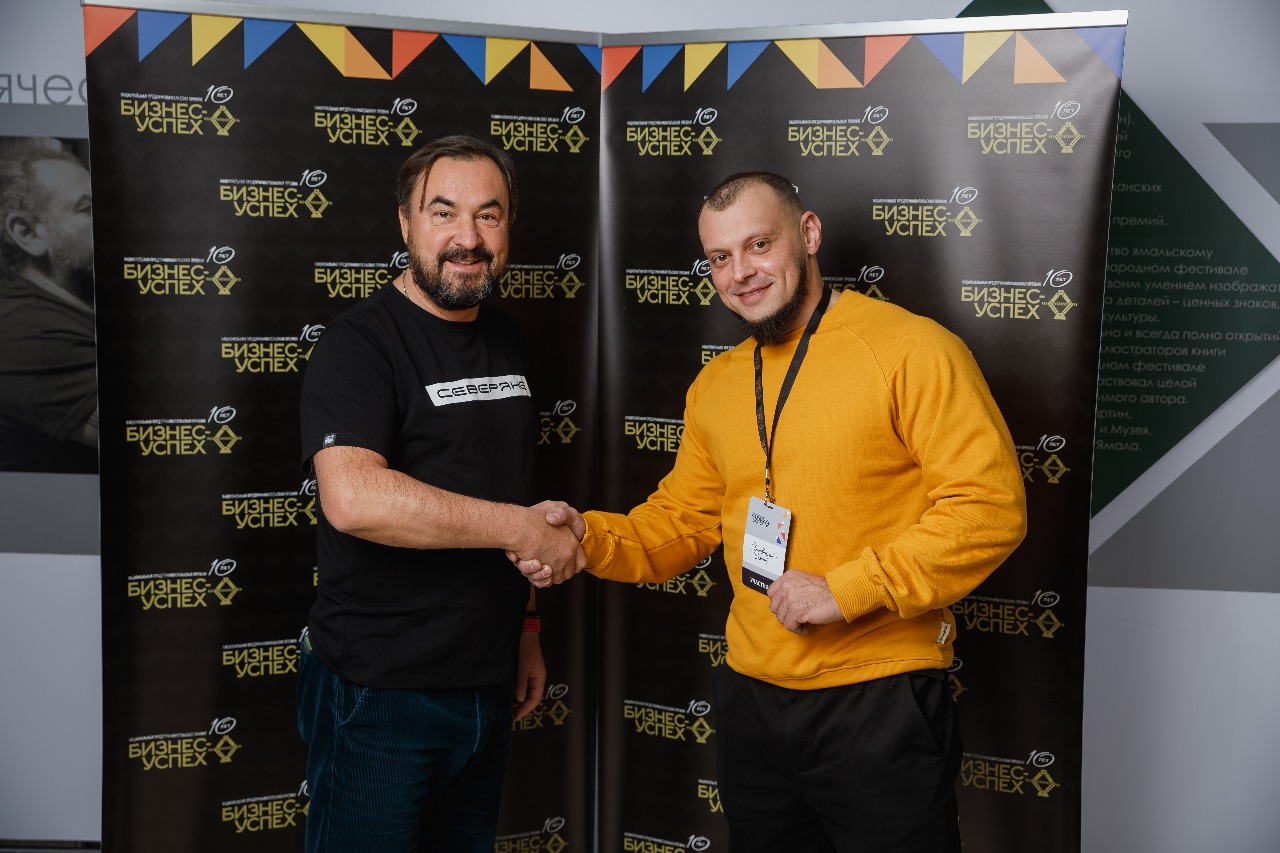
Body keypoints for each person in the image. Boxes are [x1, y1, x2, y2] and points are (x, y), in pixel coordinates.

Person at [521, 172, 1027, 852]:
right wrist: (589, 537)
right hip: (752, 703)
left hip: (878, 699)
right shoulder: (717, 383)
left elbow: (989, 507)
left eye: (759, 244)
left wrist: (848, 589)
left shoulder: (911, 349)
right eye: (720, 257)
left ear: (808, 233)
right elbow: (683, 522)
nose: (741, 273)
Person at [297, 134, 583, 853]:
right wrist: (521, 529)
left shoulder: (505, 337)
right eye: (444, 212)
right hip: (380, 693)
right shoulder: (359, 344)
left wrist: (526, 627)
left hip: (487, 679)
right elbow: (354, 497)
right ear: (405, 223)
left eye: (489, 215)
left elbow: (510, 484)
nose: (468, 238)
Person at [0, 140, 97, 473]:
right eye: (87, 209)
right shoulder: (25, 333)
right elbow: (160, 431)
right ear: (29, 233)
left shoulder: (68, 307)